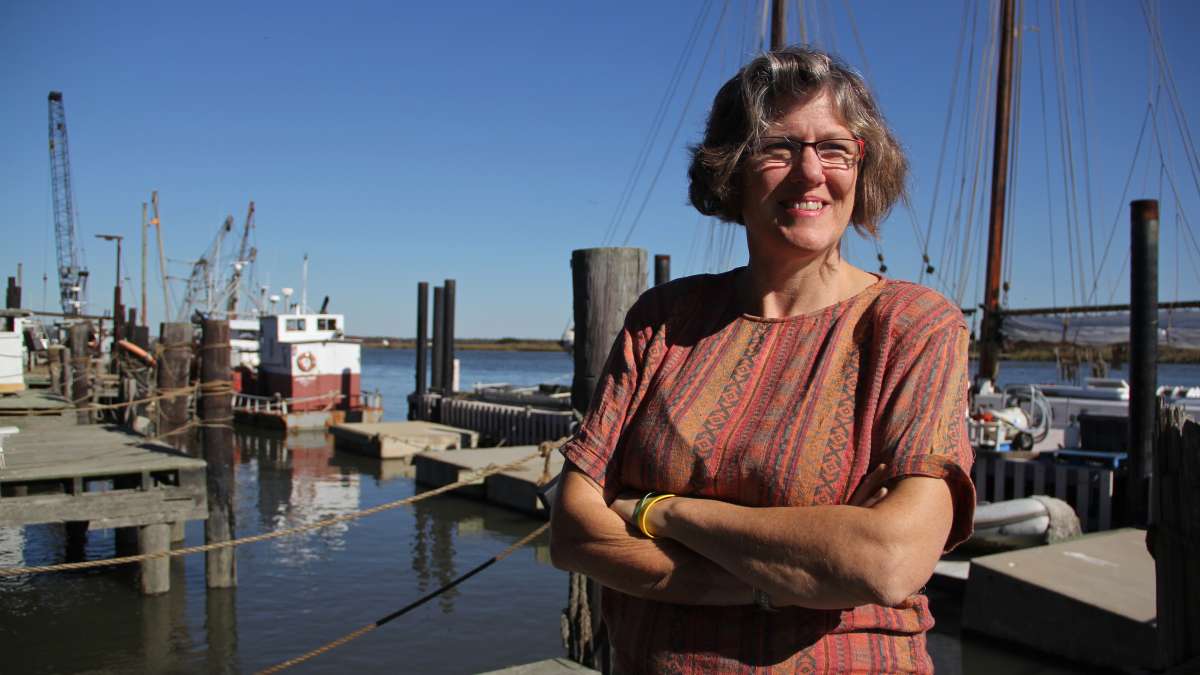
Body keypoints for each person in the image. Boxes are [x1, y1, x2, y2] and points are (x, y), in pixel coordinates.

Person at [549, 46, 976, 673]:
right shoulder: (666, 320)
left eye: (834, 148)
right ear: (731, 169)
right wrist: (786, 578)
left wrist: (657, 511)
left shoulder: (912, 327)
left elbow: (887, 561)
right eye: (777, 148)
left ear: (862, 165)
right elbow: (574, 530)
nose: (810, 173)